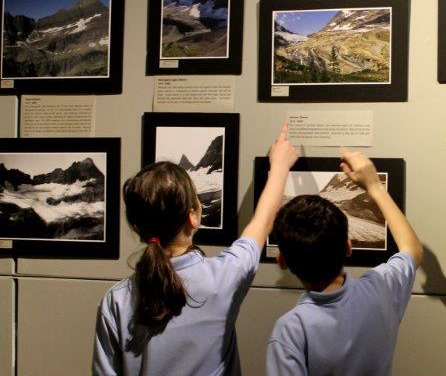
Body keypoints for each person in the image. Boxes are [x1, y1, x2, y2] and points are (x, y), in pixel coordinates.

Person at [93, 124, 299, 376]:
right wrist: (279, 166)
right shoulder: (223, 276)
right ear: (193, 217)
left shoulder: (115, 300)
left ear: (138, 227)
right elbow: (263, 222)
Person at [266, 148, 423, 376]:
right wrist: (375, 185)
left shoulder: (291, 330)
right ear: (348, 247)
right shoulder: (380, 288)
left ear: (282, 261)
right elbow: (413, 250)